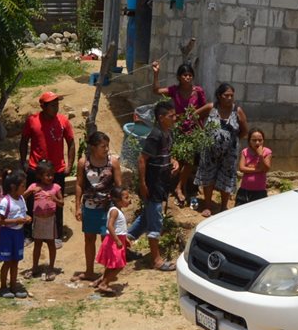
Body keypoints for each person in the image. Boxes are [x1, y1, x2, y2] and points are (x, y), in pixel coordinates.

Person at [128, 101, 178, 272]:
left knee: (146, 217)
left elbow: (166, 156)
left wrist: (173, 162)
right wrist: (142, 183)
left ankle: (122, 244)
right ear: (161, 118)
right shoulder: (155, 135)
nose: (174, 118)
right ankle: (156, 260)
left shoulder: (168, 134)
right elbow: (142, 159)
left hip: (161, 183)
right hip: (153, 184)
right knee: (155, 220)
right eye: (171, 116)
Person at [20, 91, 74, 243]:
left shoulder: (63, 121)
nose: (56, 107)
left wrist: (69, 165)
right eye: (52, 105)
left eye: (57, 104)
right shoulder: (32, 121)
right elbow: (24, 141)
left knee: (57, 201)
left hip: (56, 170)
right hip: (35, 168)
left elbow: (71, 143)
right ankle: (29, 233)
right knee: (31, 201)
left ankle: (56, 234)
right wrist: (23, 161)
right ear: (43, 106)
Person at [151, 61, 206, 207]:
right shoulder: (174, 90)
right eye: (184, 75)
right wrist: (156, 74)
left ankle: (180, 187)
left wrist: (199, 123)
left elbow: (205, 109)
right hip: (177, 129)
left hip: (193, 131)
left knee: (189, 160)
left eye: (190, 75)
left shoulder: (198, 91)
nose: (187, 78)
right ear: (179, 77)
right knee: (174, 158)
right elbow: (156, 91)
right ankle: (169, 187)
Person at [73, 130, 121, 282]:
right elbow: (79, 184)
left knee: (106, 240)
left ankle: (107, 274)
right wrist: (78, 207)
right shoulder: (83, 162)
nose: (106, 149)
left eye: (107, 146)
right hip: (89, 206)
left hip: (107, 208)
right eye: (103, 146)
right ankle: (89, 271)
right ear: (93, 147)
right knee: (89, 239)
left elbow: (119, 185)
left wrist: (118, 207)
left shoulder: (112, 162)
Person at [194, 83, 248, 216]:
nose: (229, 98)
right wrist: (202, 132)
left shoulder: (237, 111)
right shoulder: (211, 108)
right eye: (226, 95)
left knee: (227, 177)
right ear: (219, 96)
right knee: (208, 176)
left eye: (231, 95)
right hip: (209, 151)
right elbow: (194, 116)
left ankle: (223, 206)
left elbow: (244, 131)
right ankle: (207, 206)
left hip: (229, 153)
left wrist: (232, 140)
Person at [0, 170, 31, 298]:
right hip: (7, 234)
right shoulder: (5, 201)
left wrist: (27, 218)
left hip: (18, 234)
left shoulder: (21, 199)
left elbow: (23, 213)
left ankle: (13, 286)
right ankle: (3, 287)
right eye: (23, 186)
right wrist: (16, 221)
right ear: (13, 187)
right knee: (7, 262)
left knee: (15, 261)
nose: (24, 188)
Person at [25, 160, 63, 280]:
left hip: (50, 219)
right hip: (38, 219)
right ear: (39, 176)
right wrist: (31, 191)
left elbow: (62, 203)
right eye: (47, 175)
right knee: (37, 243)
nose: (50, 177)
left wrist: (55, 199)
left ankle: (51, 268)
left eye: (52, 174)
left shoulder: (56, 187)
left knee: (51, 243)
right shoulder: (34, 186)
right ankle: (35, 267)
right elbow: (22, 197)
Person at [95, 187, 131, 296]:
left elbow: (119, 227)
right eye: (126, 198)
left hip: (117, 240)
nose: (129, 200)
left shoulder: (117, 210)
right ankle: (104, 284)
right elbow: (110, 226)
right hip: (113, 241)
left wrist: (126, 239)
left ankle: (102, 281)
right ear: (117, 199)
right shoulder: (115, 211)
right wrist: (117, 240)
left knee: (111, 265)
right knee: (119, 265)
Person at [236, 129, 273, 205]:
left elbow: (265, 169)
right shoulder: (245, 152)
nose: (257, 143)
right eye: (254, 140)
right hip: (244, 189)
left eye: (260, 140)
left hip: (259, 191)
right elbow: (241, 168)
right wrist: (258, 170)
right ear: (249, 141)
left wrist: (260, 155)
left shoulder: (267, 152)